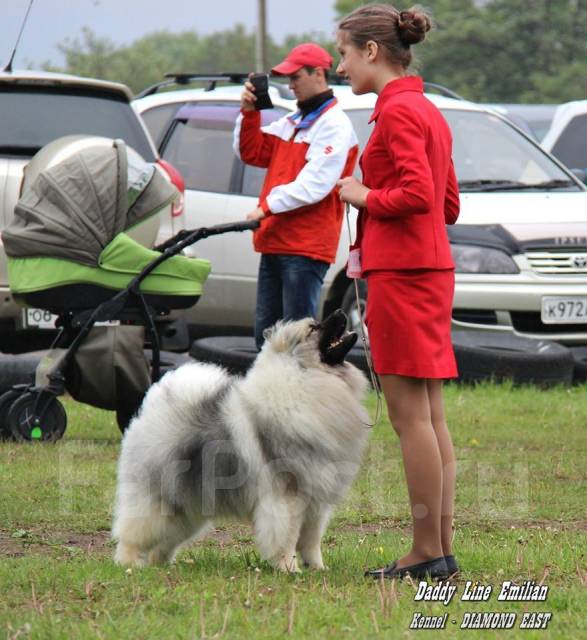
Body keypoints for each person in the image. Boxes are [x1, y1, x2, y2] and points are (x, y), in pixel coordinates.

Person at [336, 4, 461, 580]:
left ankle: (425, 553)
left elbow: (415, 195)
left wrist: (363, 195)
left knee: (410, 419)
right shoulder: (427, 109)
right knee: (429, 417)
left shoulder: (399, 114)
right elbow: (448, 204)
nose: (340, 67)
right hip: (427, 269)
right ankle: (439, 549)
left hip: (404, 274)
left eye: (343, 53)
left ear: (370, 51)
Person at [233, 43, 359, 349]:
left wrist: (265, 208)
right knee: (267, 334)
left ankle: (298, 397)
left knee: (297, 339)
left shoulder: (335, 124)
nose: (290, 86)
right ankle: (269, 397)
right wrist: (249, 114)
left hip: (305, 246)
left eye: (295, 77)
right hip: (277, 239)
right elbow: (251, 152)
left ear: (318, 74)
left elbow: (316, 184)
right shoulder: (293, 121)